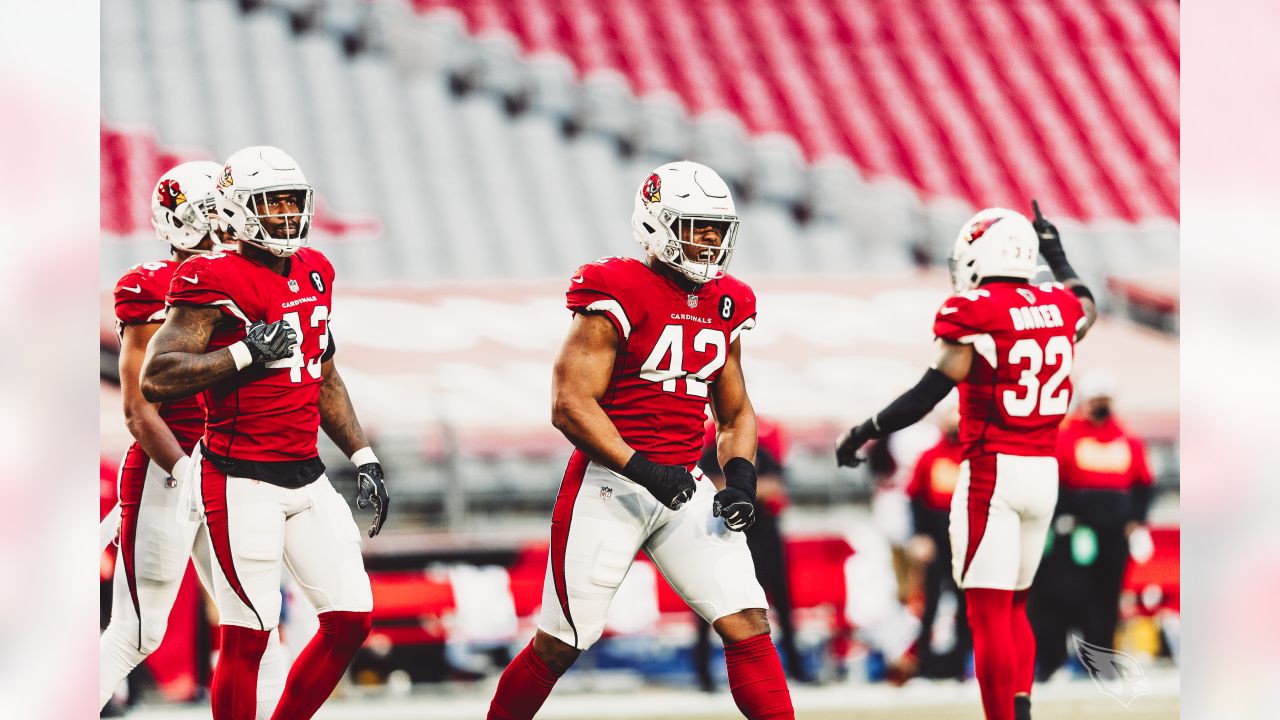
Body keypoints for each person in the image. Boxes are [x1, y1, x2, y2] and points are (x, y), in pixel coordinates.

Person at [486, 161, 794, 720]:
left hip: (685, 484)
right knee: (561, 643)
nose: (708, 240)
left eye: (716, 229)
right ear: (657, 224)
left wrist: (742, 480)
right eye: (695, 225)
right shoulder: (617, 289)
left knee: (748, 621)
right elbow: (569, 405)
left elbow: (735, 412)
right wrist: (645, 470)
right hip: (610, 485)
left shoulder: (728, 302)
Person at [139, 146, 390, 720]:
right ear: (236, 209)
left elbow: (323, 373)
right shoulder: (212, 274)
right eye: (270, 202)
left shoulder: (316, 270)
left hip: (307, 473)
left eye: (291, 202)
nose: (284, 215)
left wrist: (364, 454)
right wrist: (242, 352)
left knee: (351, 618)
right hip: (237, 478)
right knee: (249, 633)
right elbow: (158, 376)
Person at [835, 202, 1097, 720]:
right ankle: (1020, 710)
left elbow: (924, 397)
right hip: (1044, 472)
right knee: (1016, 605)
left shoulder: (974, 312)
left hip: (993, 470)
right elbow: (1084, 304)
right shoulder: (1058, 306)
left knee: (988, 613)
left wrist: (865, 431)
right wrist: (1059, 254)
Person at [99, 161, 290, 719]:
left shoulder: (249, 277)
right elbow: (139, 409)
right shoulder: (150, 286)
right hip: (172, 470)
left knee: (257, 626)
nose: (237, 222)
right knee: (135, 633)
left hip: (229, 468)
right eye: (223, 211)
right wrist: (188, 477)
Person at [1029, 372, 1154, 679]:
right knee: (1065, 597)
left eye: (1105, 400)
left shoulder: (1126, 438)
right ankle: (1054, 661)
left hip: (1113, 534)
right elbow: (1053, 479)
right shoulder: (1066, 434)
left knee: (1107, 598)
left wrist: (1135, 520)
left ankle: (1102, 664)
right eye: (1096, 400)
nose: (1101, 406)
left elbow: (1143, 485)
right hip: (1075, 533)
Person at [692, 418, 810, 692]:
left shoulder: (761, 453)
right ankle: (704, 675)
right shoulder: (711, 455)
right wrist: (752, 491)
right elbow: (712, 490)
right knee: (706, 607)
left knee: (782, 605)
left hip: (764, 539)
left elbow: (775, 488)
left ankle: (796, 668)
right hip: (723, 539)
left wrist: (738, 493)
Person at [904, 402, 972, 680]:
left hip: (965, 545)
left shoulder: (975, 459)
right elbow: (915, 499)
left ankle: (960, 666)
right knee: (930, 605)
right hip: (936, 544)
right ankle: (925, 666)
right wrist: (920, 537)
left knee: (966, 607)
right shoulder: (930, 457)